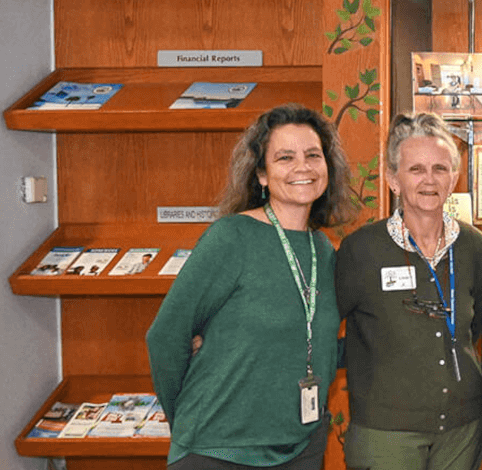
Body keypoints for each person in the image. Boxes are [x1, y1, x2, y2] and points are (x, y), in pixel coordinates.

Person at [147, 103, 356, 469]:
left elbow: (314, 341)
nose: (302, 167)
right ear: (261, 174)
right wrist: (184, 423)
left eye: (312, 155)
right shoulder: (232, 237)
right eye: (285, 157)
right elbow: (166, 336)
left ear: (328, 166)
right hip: (219, 449)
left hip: (300, 446)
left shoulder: (323, 250)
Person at [336, 113, 482, 470]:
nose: (429, 180)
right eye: (416, 169)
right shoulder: (361, 250)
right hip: (386, 433)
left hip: (462, 429)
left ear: (454, 178)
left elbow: (475, 327)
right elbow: (326, 329)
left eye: (440, 168)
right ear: (393, 179)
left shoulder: (473, 246)